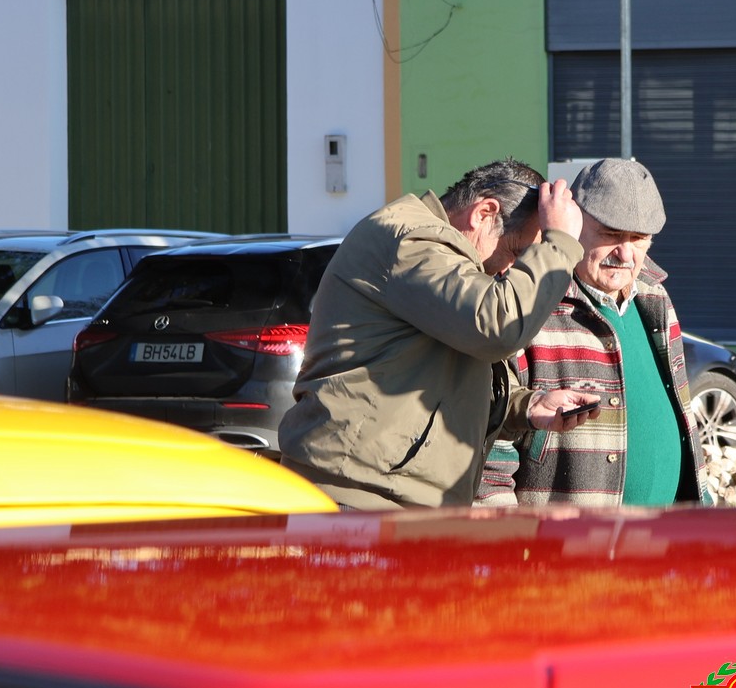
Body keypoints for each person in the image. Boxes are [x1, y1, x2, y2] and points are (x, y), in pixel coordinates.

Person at [278, 159, 600, 509]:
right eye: (516, 252)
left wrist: (527, 406)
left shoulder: (442, 256)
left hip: (387, 498)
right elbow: (498, 326)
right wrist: (559, 244)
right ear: (484, 213)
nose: (509, 268)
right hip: (358, 499)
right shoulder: (410, 239)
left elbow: (443, 378)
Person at [492, 157, 711, 506]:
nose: (625, 253)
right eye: (610, 235)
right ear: (574, 225)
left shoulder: (655, 299)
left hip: (668, 532)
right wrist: (502, 530)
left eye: (638, 239)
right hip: (569, 538)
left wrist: (704, 501)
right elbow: (492, 441)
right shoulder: (531, 304)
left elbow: (682, 416)